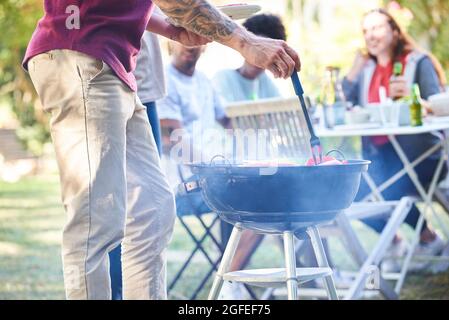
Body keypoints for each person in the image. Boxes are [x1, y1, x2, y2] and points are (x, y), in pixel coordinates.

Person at [24, 0, 300, 300]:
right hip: (82, 57)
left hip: (114, 66)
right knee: (95, 217)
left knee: (152, 210)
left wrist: (171, 29)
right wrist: (246, 41)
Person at [343, 8, 448, 272]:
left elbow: (438, 106)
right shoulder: (365, 69)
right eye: (366, 31)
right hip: (380, 157)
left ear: (394, 30)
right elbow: (342, 105)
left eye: (377, 28)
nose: (371, 36)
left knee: (386, 182)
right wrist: (352, 73)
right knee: (349, 193)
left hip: (422, 155)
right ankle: (408, 240)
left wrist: (412, 102)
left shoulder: (416, 62)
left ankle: (425, 239)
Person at [212, 14, 287, 299]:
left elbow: (277, 120)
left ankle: (311, 269)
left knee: (293, 195)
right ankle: (229, 279)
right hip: (230, 171)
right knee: (270, 205)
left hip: (259, 166)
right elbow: (234, 127)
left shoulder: (265, 85)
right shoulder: (223, 79)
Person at [109, 28, 167, 300]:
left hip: (144, 87)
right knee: (115, 207)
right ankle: (114, 293)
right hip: (114, 82)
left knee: (152, 207)